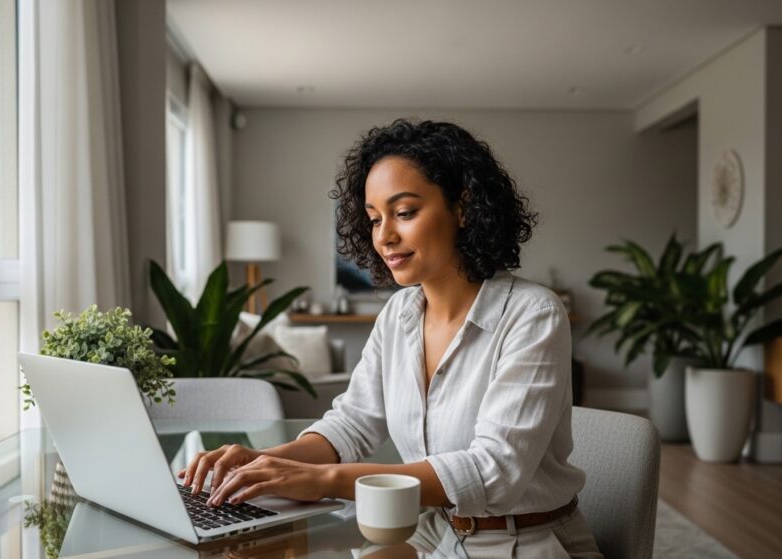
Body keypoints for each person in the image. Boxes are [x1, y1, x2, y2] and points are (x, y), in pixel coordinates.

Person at [178, 119, 601, 558]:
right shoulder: (399, 314)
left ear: (463, 208)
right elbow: (353, 423)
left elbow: (494, 471)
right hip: (434, 530)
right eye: (375, 218)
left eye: (404, 213)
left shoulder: (533, 313)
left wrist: (323, 480)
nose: (384, 236)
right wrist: (266, 461)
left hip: (524, 542)